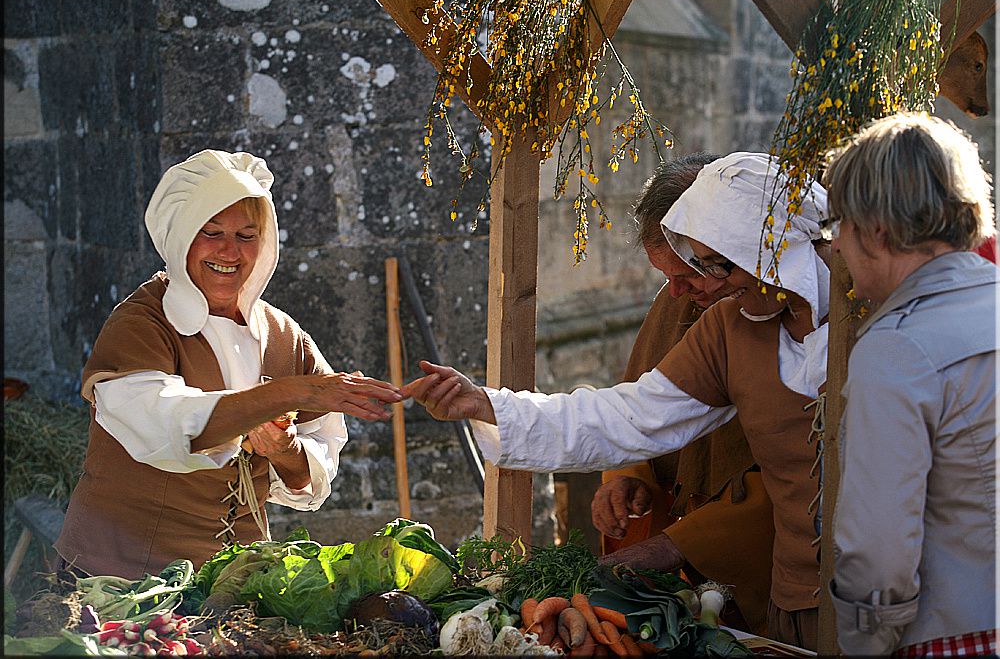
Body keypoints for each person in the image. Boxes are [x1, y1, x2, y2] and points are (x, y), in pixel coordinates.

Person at [405, 152, 831, 650]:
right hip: (800, 599)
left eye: (719, 264)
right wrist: (486, 404)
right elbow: (627, 416)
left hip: (905, 600)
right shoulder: (729, 326)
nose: (711, 284)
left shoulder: (873, 319)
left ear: (771, 251)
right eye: (703, 265)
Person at [55, 150, 403, 579]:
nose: (229, 250)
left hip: (234, 587)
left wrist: (284, 449)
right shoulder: (141, 324)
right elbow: (163, 422)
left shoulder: (282, 336)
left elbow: (313, 471)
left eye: (246, 235)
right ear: (182, 236)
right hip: (119, 581)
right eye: (211, 231)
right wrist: (294, 392)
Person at [823, 113, 996, 656]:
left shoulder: (899, 349)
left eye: (838, 227)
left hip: (955, 634)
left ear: (875, 230)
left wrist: (864, 644)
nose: (836, 249)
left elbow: (878, 554)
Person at [593, 154, 774, 636]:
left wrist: (680, 543)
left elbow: (795, 478)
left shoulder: (786, 318)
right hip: (680, 581)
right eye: (665, 277)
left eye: (691, 275)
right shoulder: (676, 302)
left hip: (769, 582)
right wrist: (627, 476)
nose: (676, 293)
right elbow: (637, 407)